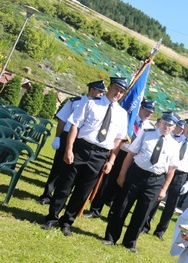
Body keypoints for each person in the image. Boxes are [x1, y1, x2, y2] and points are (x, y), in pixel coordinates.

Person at [42, 77, 129, 237]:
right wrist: (69, 149)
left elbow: (118, 140)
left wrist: (111, 161)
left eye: (122, 91)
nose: (118, 93)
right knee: (65, 186)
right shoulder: (90, 103)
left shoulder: (122, 114)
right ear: (109, 87)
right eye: (116, 89)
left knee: (83, 192)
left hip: (101, 155)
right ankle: (52, 218)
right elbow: (74, 126)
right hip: (81, 148)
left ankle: (67, 221)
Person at [102, 113, 180, 253]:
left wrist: (164, 189)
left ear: (174, 127)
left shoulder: (175, 145)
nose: (166, 127)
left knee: (143, 213)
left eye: (170, 125)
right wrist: (122, 175)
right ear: (160, 122)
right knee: (122, 206)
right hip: (136, 174)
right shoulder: (146, 134)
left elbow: (171, 170)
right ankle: (111, 237)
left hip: (156, 180)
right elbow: (130, 155)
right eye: (165, 123)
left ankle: (130, 242)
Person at [85, 99, 156, 219]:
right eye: (147, 110)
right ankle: (95, 209)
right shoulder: (129, 119)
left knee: (124, 186)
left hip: (134, 158)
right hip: (121, 153)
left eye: (151, 112)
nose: (149, 114)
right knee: (107, 182)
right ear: (140, 108)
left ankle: (113, 214)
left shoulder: (150, 127)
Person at [38, 79, 106, 205]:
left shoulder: (100, 106)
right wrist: (58, 137)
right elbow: (62, 120)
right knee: (58, 167)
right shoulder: (75, 101)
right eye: (100, 91)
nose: (102, 94)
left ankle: (61, 197)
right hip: (66, 136)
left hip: (82, 141)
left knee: (71, 172)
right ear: (92, 89)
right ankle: (47, 195)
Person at [153, 118, 188, 240]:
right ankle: (145, 224)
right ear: (184, 126)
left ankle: (160, 231)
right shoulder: (174, 139)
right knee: (156, 198)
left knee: (171, 204)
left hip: (181, 175)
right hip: (168, 171)